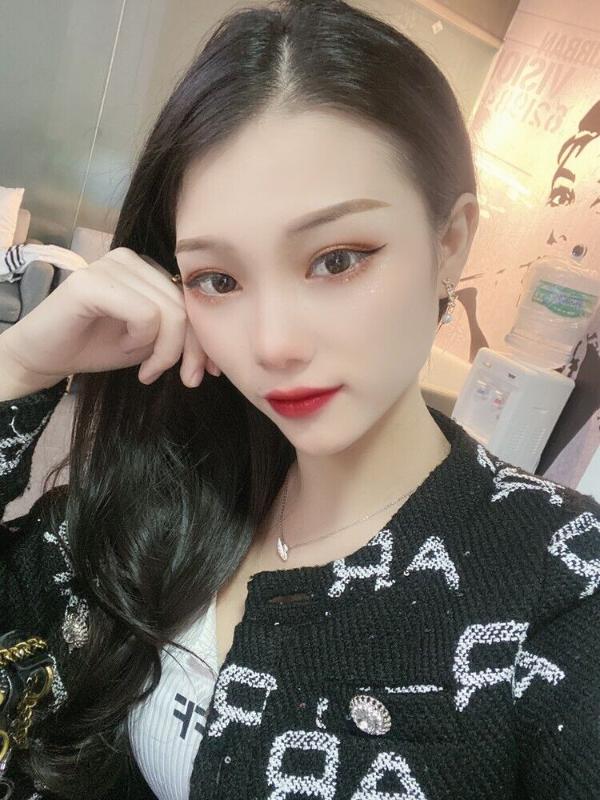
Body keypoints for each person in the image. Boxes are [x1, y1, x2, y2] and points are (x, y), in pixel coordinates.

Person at [0, 1, 598, 798]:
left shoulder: (560, 578)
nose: (273, 342)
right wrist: (15, 367)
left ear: (450, 241)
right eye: (219, 279)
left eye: (337, 259)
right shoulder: (169, 487)